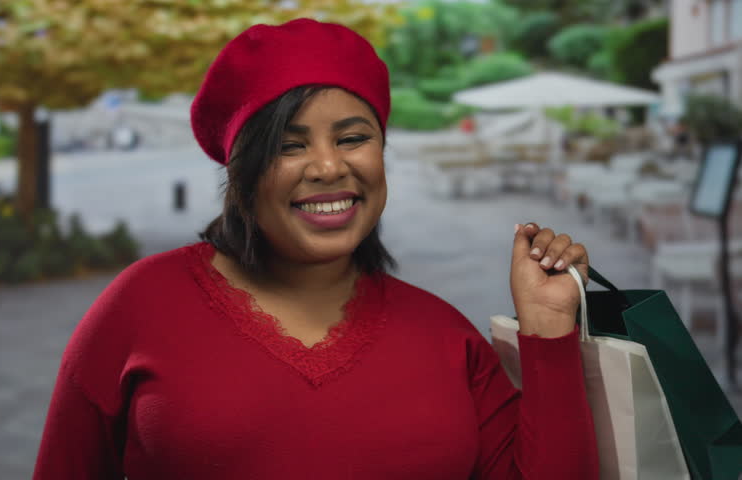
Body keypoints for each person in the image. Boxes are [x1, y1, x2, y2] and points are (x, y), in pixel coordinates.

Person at [33, 18, 599, 479]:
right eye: (289, 145)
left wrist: (548, 329)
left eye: (353, 138)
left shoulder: (447, 337)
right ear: (240, 172)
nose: (329, 166)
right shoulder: (141, 306)